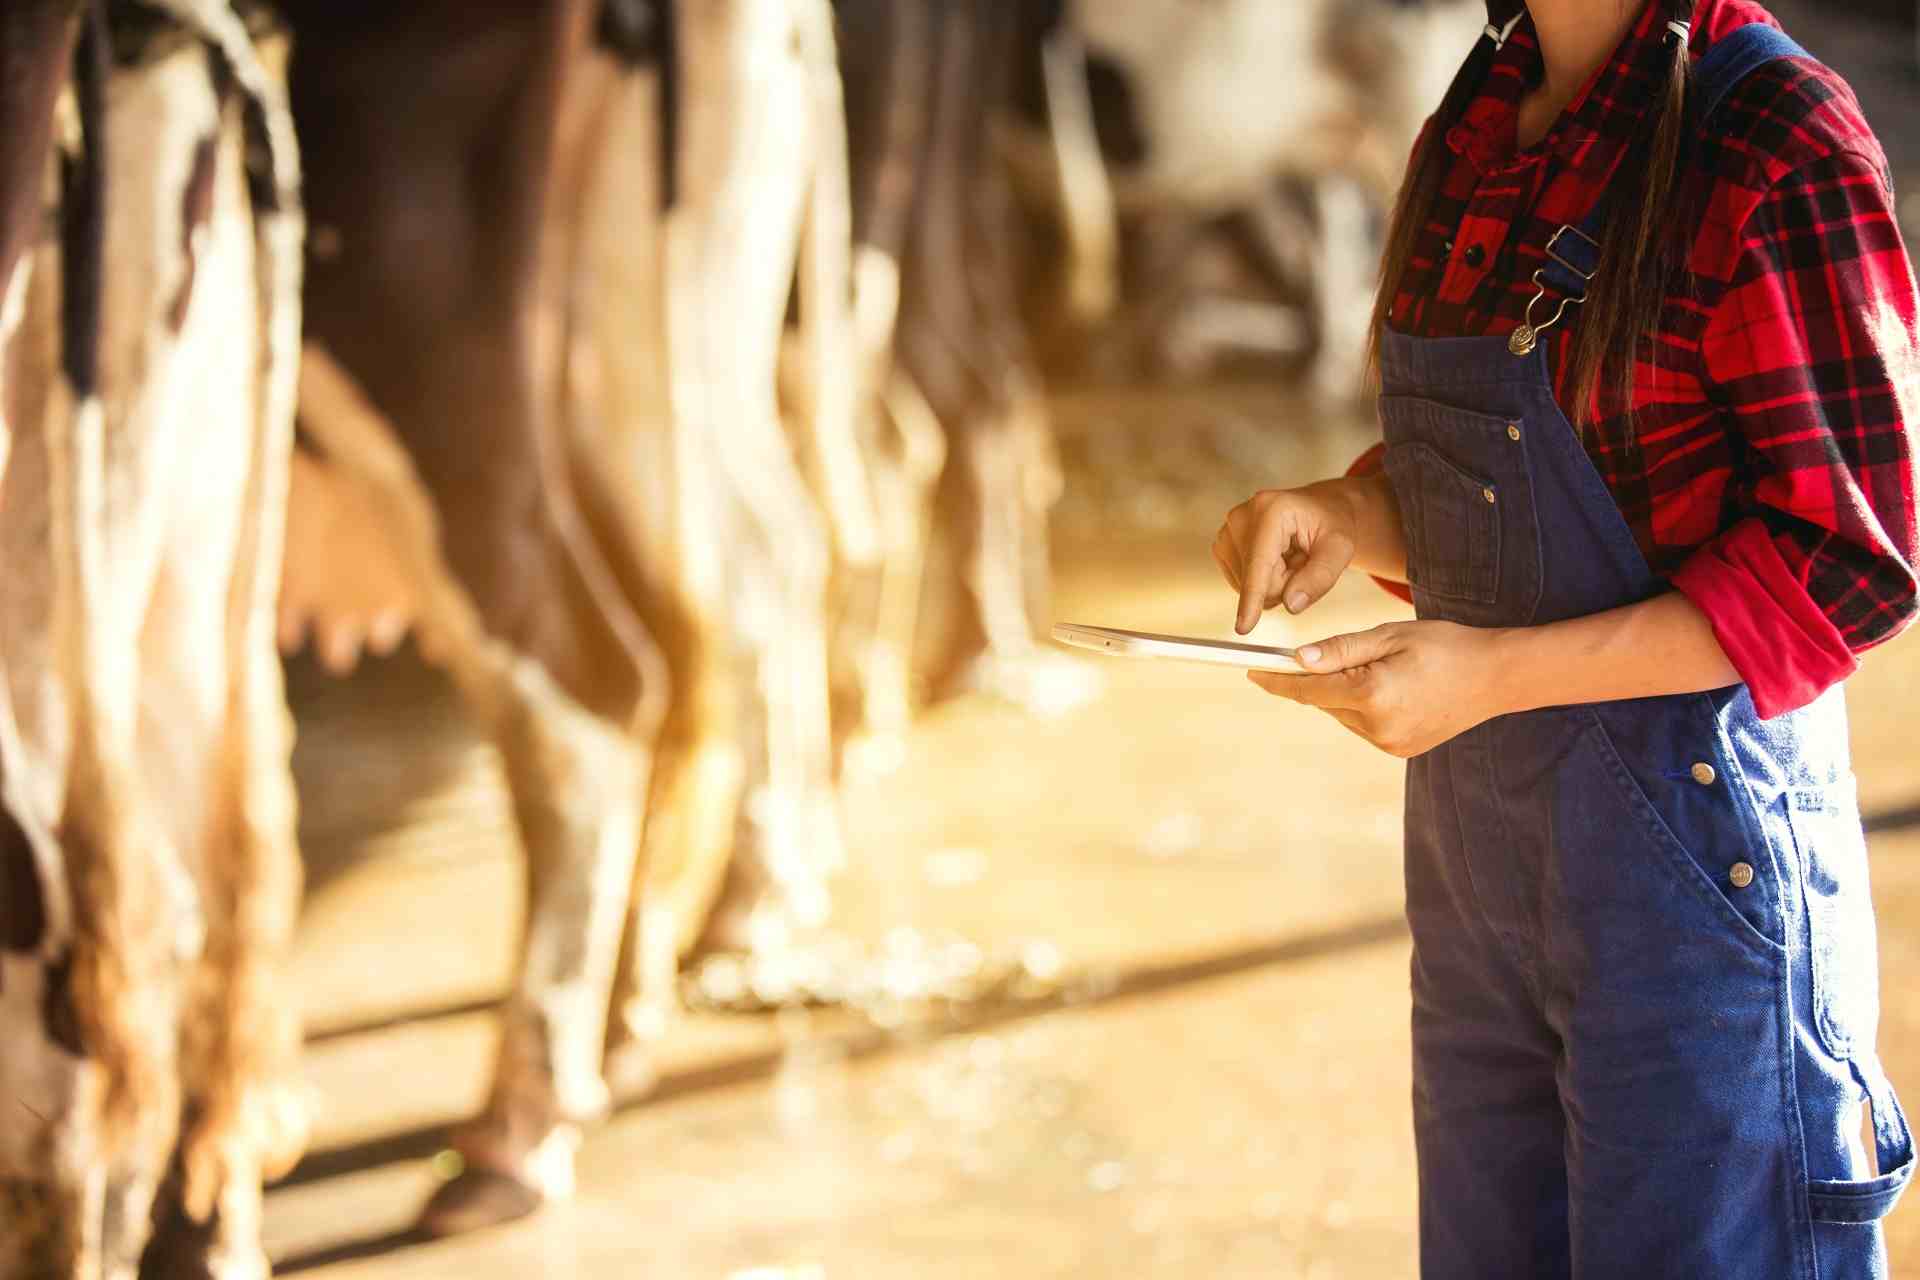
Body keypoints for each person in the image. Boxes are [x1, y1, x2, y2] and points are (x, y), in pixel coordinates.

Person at [1212, 1, 1920, 1275]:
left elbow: (1850, 563)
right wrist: (1352, 507)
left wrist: (1491, 674)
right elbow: (1525, 475)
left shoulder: (1778, 140)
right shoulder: (1477, 123)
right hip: (1480, 874)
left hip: (1699, 882)